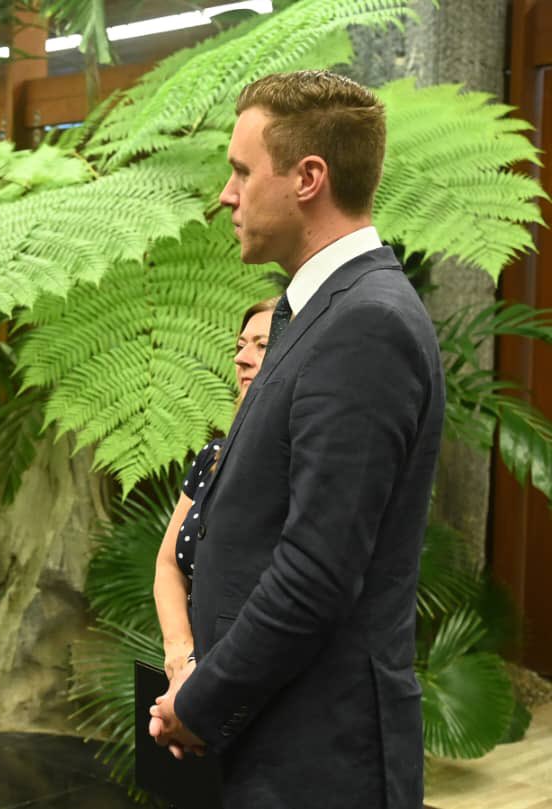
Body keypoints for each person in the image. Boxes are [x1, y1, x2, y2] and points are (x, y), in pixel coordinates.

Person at [149, 70, 445, 809]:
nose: (226, 193)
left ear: (308, 177)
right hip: (274, 742)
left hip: (320, 760)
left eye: (242, 171)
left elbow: (315, 571)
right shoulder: (307, 313)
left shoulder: (365, 325)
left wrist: (199, 699)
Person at [153, 297, 277, 681]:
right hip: (189, 676)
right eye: (240, 345)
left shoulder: (300, 467)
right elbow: (169, 563)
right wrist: (179, 652)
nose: (241, 357)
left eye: (262, 345)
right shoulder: (213, 457)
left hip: (253, 680)